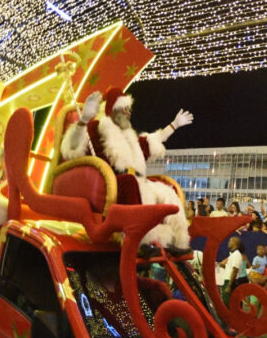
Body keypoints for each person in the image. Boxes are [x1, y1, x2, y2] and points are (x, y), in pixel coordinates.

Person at [60, 87, 194, 250]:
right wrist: (84, 119)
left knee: (168, 192)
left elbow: (153, 140)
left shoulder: (131, 138)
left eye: (129, 109)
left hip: (138, 182)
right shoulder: (96, 128)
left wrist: (174, 125)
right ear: (113, 108)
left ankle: (178, 242)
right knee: (129, 182)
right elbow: (73, 146)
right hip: (113, 183)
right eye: (125, 108)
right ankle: (139, 240)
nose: (129, 113)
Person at [219, 236, 245, 305]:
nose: (228, 242)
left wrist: (229, 286)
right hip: (228, 281)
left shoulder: (236, 255)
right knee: (226, 303)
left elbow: (235, 270)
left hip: (230, 282)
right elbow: (232, 269)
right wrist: (224, 266)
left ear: (235, 244)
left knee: (228, 304)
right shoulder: (233, 255)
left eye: (230, 241)